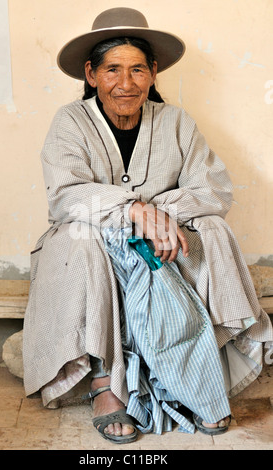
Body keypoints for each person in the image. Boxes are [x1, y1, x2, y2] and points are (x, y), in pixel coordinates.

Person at [23, 8, 273, 444]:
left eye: (138, 69)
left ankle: (195, 368)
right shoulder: (70, 122)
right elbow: (64, 195)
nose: (126, 83)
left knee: (212, 228)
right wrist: (133, 210)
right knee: (77, 239)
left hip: (162, 243)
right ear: (91, 73)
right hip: (92, 246)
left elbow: (213, 190)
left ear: (153, 72)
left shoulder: (177, 122)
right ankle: (106, 381)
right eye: (113, 70)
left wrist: (158, 212)